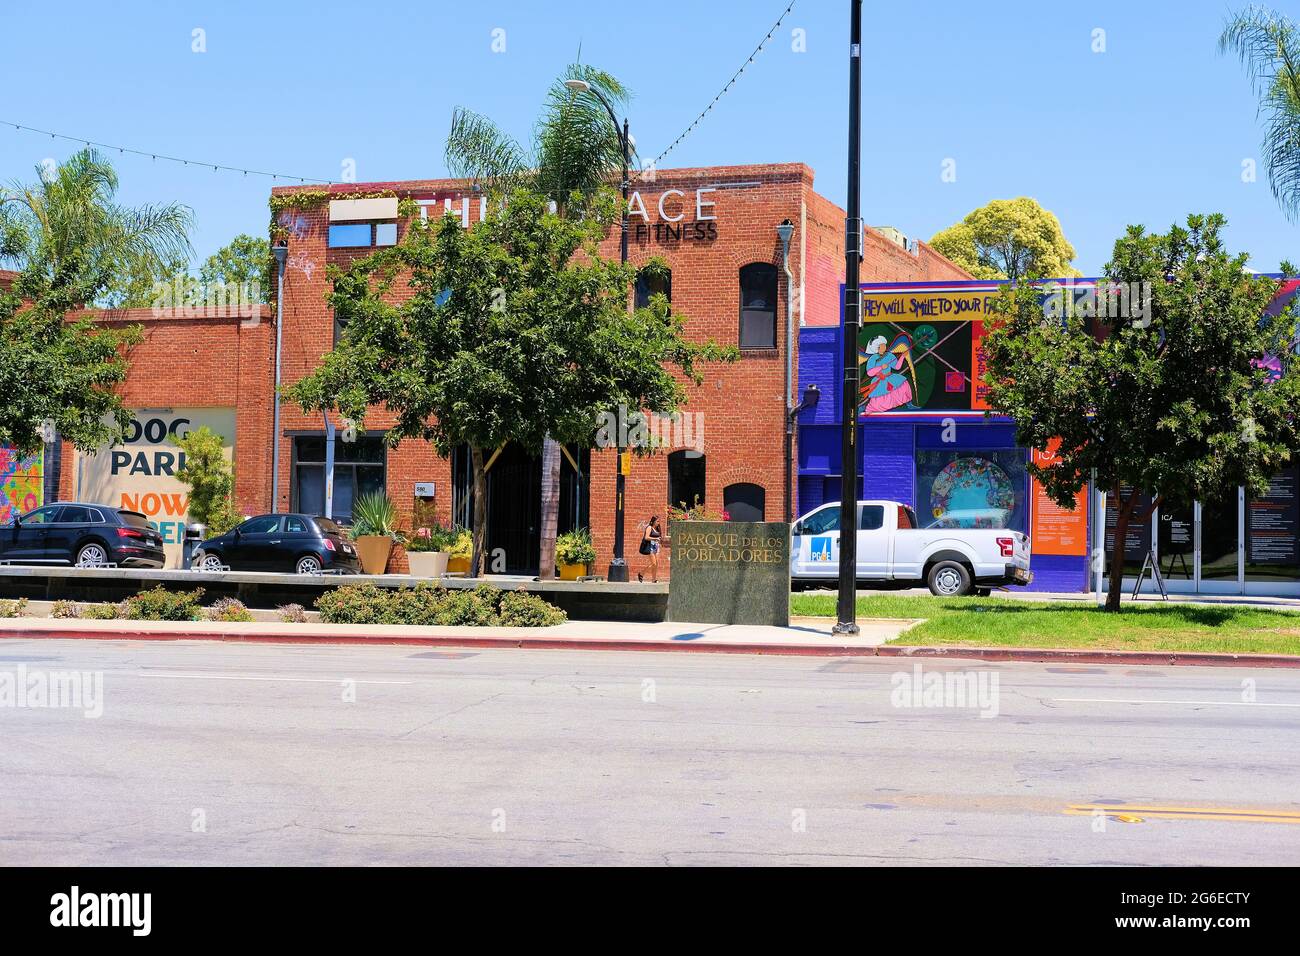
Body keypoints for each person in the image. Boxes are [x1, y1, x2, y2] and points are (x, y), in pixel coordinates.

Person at [861, 334, 916, 413]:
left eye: (884, 345)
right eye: (882, 346)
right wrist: (880, 368)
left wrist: (902, 357)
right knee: (879, 399)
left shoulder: (889, 355)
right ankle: (866, 407)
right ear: (877, 348)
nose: (884, 347)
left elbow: (897, 367)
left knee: (903, 384)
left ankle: (909, 404)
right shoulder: (873, 358)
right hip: (879, 380)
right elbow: (869, 373)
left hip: (890, 377)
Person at [637, 515, 662, 583]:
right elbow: (646, 537)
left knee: (656, 564)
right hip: (650, 547)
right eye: (657, 521)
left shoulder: (657, 528)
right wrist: (655, 538)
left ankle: (653, 579)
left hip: (656, 547)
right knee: (653, 563)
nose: (658, 523)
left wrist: (659, 543)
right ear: (653, 521)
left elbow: (659, 538)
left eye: (659, 521)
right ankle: (641, 573)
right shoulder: (649, 528)